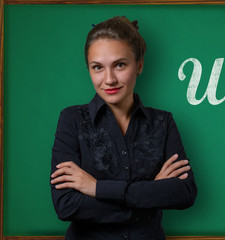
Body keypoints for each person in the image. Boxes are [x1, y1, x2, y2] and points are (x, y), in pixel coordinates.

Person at [50, 16, 197, 240]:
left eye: (120, 65)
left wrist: (97, 188)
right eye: (97, 67)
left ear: (139, 65)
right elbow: (66, 206)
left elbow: (184, 193)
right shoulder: (71, 119)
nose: (109, 79)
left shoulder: (163, 122)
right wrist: (151, 193)